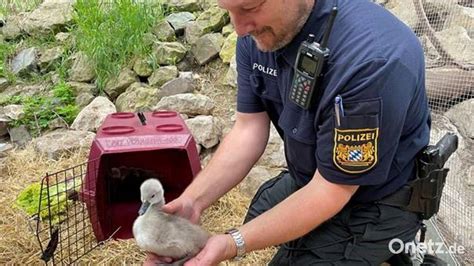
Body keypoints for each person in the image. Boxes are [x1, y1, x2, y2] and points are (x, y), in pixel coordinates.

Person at [145, 0, 431, 265]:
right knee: (259, 211)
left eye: (250, 7)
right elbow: (248, 130)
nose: (240, 27)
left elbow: (331, 191)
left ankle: (392, 251)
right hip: (313, 176)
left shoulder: (370, 63)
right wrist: (193, 201)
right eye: (228, 10)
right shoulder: (259, 36)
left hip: (377, 200)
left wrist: (234, 243)